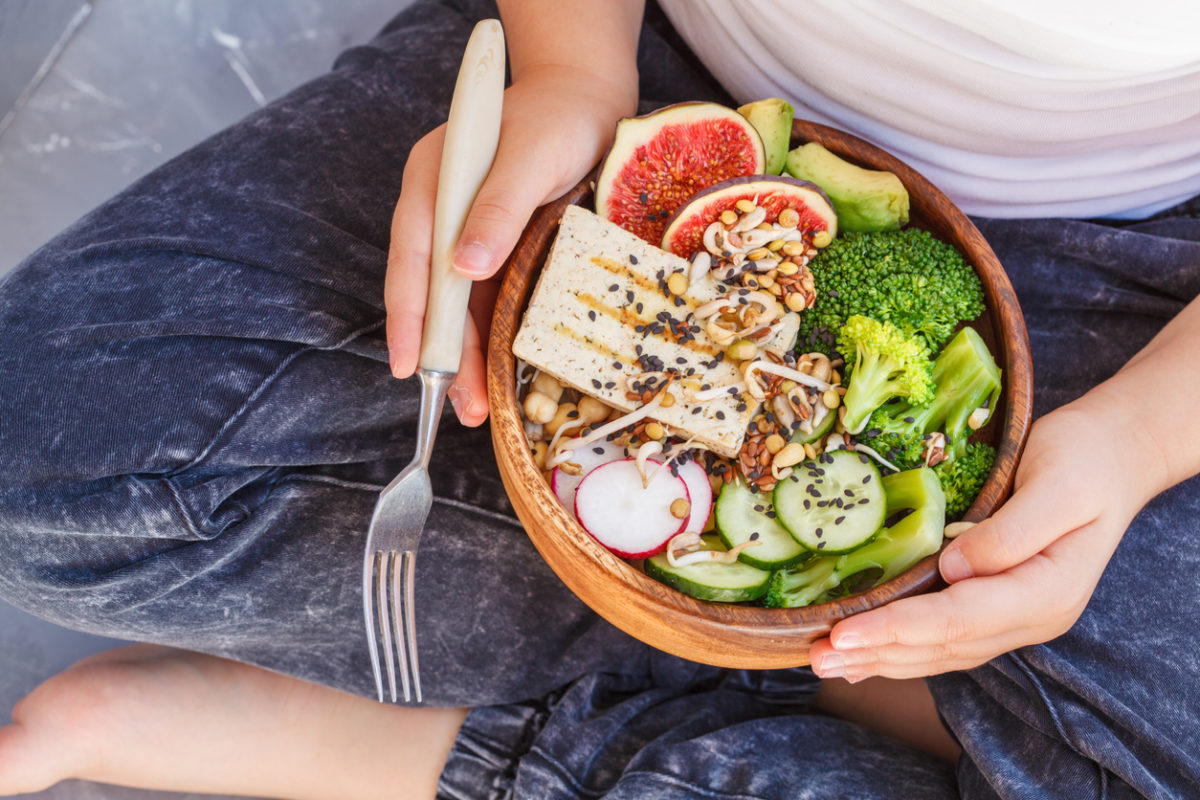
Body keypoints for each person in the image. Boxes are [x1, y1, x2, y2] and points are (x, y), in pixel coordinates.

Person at [1, 0, 1199, 797]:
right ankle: (826, 668)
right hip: (648, 71)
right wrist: (570, 64)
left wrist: (1142, 436)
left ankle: (450, 741)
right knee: (38, 464)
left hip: (1131, 277)